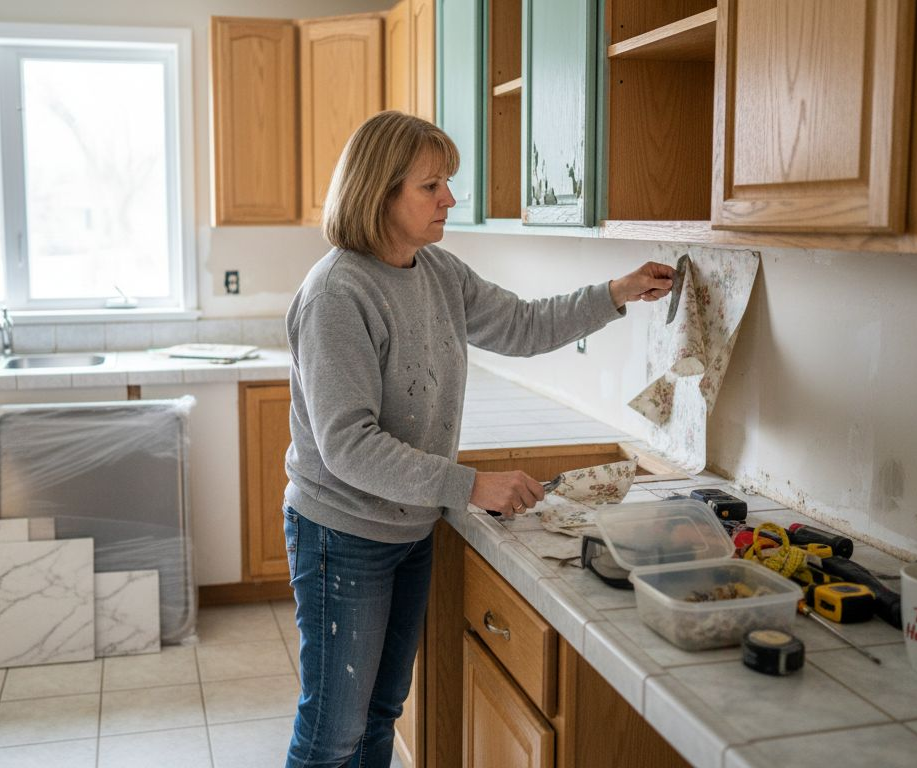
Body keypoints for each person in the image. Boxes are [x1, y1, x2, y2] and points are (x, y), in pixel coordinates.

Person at [282, 110, 674, 768]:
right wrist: (470, 486)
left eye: (447, 182)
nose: (450, 200)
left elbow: (522, 326)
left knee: (380, 714)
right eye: (431, 186)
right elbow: (348, 446)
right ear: (379, 192)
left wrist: (616, 293)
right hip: (342, 539)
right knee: (331, 735)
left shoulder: (435, 271)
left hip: (407, 533)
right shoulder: (336, 296)